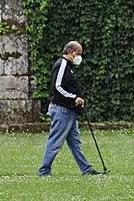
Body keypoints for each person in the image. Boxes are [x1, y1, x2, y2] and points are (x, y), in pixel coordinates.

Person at [37, 40, 101, 176]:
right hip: (62, 110)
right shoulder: (62, 65)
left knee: (75, 143)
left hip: (69, 111)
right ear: (71, 52)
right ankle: (44, 171)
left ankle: (86, 170)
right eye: (78, 54)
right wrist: (74, 97)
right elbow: (57, 87)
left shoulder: (69, 66)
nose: (79, 57)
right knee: (55, 141)